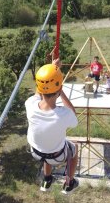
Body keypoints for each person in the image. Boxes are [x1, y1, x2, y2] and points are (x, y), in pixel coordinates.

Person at [25, 58, 79, 194]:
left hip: (36, 153)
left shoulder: (30, 104)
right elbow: (74, 116)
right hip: (56, 156)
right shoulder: (64, 114)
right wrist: (61, 92)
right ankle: (69, 183)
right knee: (75, 147)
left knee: (48, 144)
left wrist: (51, 69)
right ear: (59, 89)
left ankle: (47, 178)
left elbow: (39, 92)